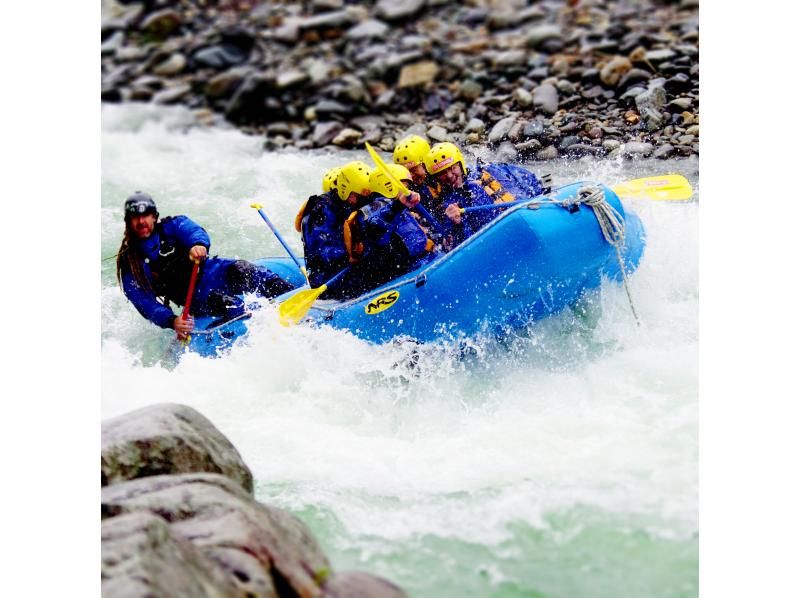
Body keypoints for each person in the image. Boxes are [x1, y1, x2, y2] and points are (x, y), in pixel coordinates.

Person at [116, 191, 295, 339]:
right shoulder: (131, 263)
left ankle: (299, 299)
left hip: (214, 271)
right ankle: (268, 335)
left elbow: (193, 231)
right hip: (195, 297)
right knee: (233, 306)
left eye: (145, 216)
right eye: (135, 217)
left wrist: (198, 244)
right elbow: (144, 303)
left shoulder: (172, 226)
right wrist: (172, 321)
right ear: (128, 222)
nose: (141, 222)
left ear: (154, 217)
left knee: (246, 271)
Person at [422, 142, 551, 249]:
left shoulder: (489, 169)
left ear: (460, 164)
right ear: (436, 178)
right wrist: (457, 224)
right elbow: (460, 246)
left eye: (452, 168)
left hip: (527, 217)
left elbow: (527, 180)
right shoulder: (447, 206)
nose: (449, 176)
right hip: (499, 241)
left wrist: (544, 192)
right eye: (442, 173)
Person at [342, 164, 437, 293]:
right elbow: (375, 226)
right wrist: (397, 205)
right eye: (404, 186)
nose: (408, 190)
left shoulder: (397, 207)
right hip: (398, 277)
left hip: (420, 265)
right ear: (389, 187)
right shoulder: (371, 210)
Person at [295, 161, 374, 296]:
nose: (363, 201)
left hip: (354, 267)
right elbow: (321, 251)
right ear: (345, 189)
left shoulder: (355, 203)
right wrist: (350, 254)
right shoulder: (321, 209)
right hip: (330, 277)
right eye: (358, 196)